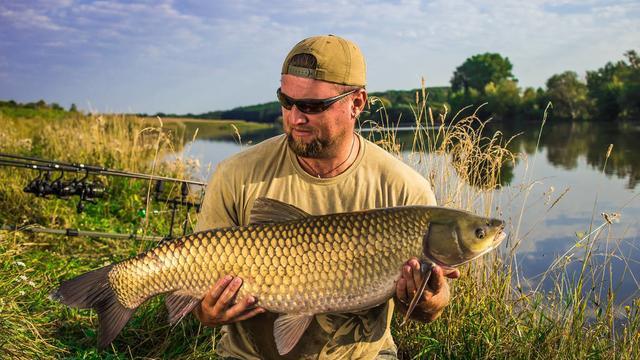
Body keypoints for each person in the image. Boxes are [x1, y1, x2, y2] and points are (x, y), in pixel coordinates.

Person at [193, 34, 460, 359]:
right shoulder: (235, 175)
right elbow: (199, 303)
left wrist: (428, 299)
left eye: (312, 106)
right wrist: (206, 312)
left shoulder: (404, 189)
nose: (294, 117)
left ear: (357, 103)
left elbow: (429, 311)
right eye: (286, 101)